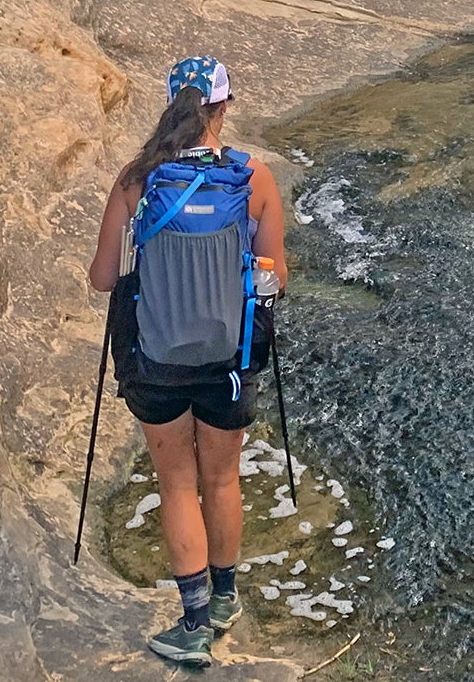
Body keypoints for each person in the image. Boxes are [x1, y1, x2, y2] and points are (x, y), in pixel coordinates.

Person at [89, 56, 288, 665]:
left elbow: (103, 278)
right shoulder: (254, 179)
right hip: (229, 357)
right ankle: (226, 600)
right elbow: (276, 274)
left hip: (155, 359)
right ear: (225, 107)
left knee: (176, 482)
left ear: (171, 101)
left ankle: (193, 626)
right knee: (221, 478)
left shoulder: (137, 179)